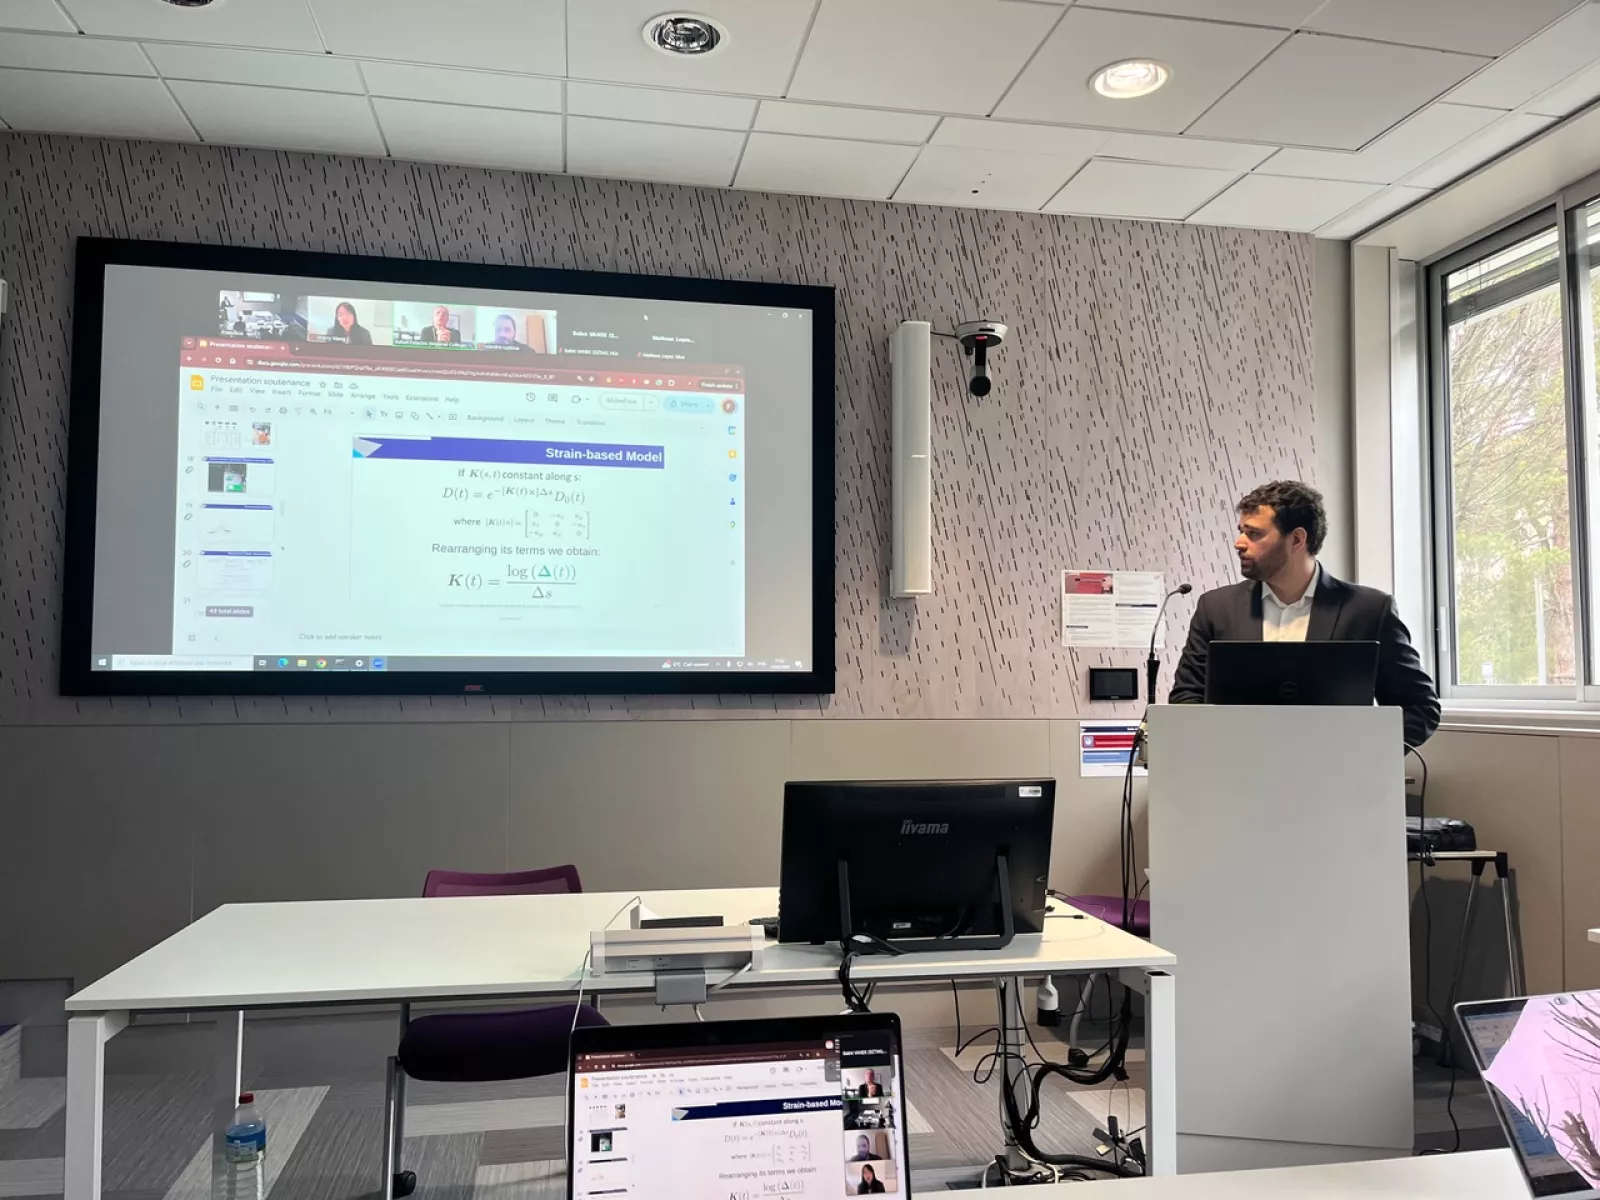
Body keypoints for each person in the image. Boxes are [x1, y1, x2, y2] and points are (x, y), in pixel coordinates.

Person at [1169, 480, 1440, 747]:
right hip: (1235, 770)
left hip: (1334, 773)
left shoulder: (1369, 610)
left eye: (1254, 534)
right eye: (1241, 531)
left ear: (1297, 539)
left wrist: (1366, 756)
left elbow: (1420, 708)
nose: (1238, 543)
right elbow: (1186, 698)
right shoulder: (1216, 608)